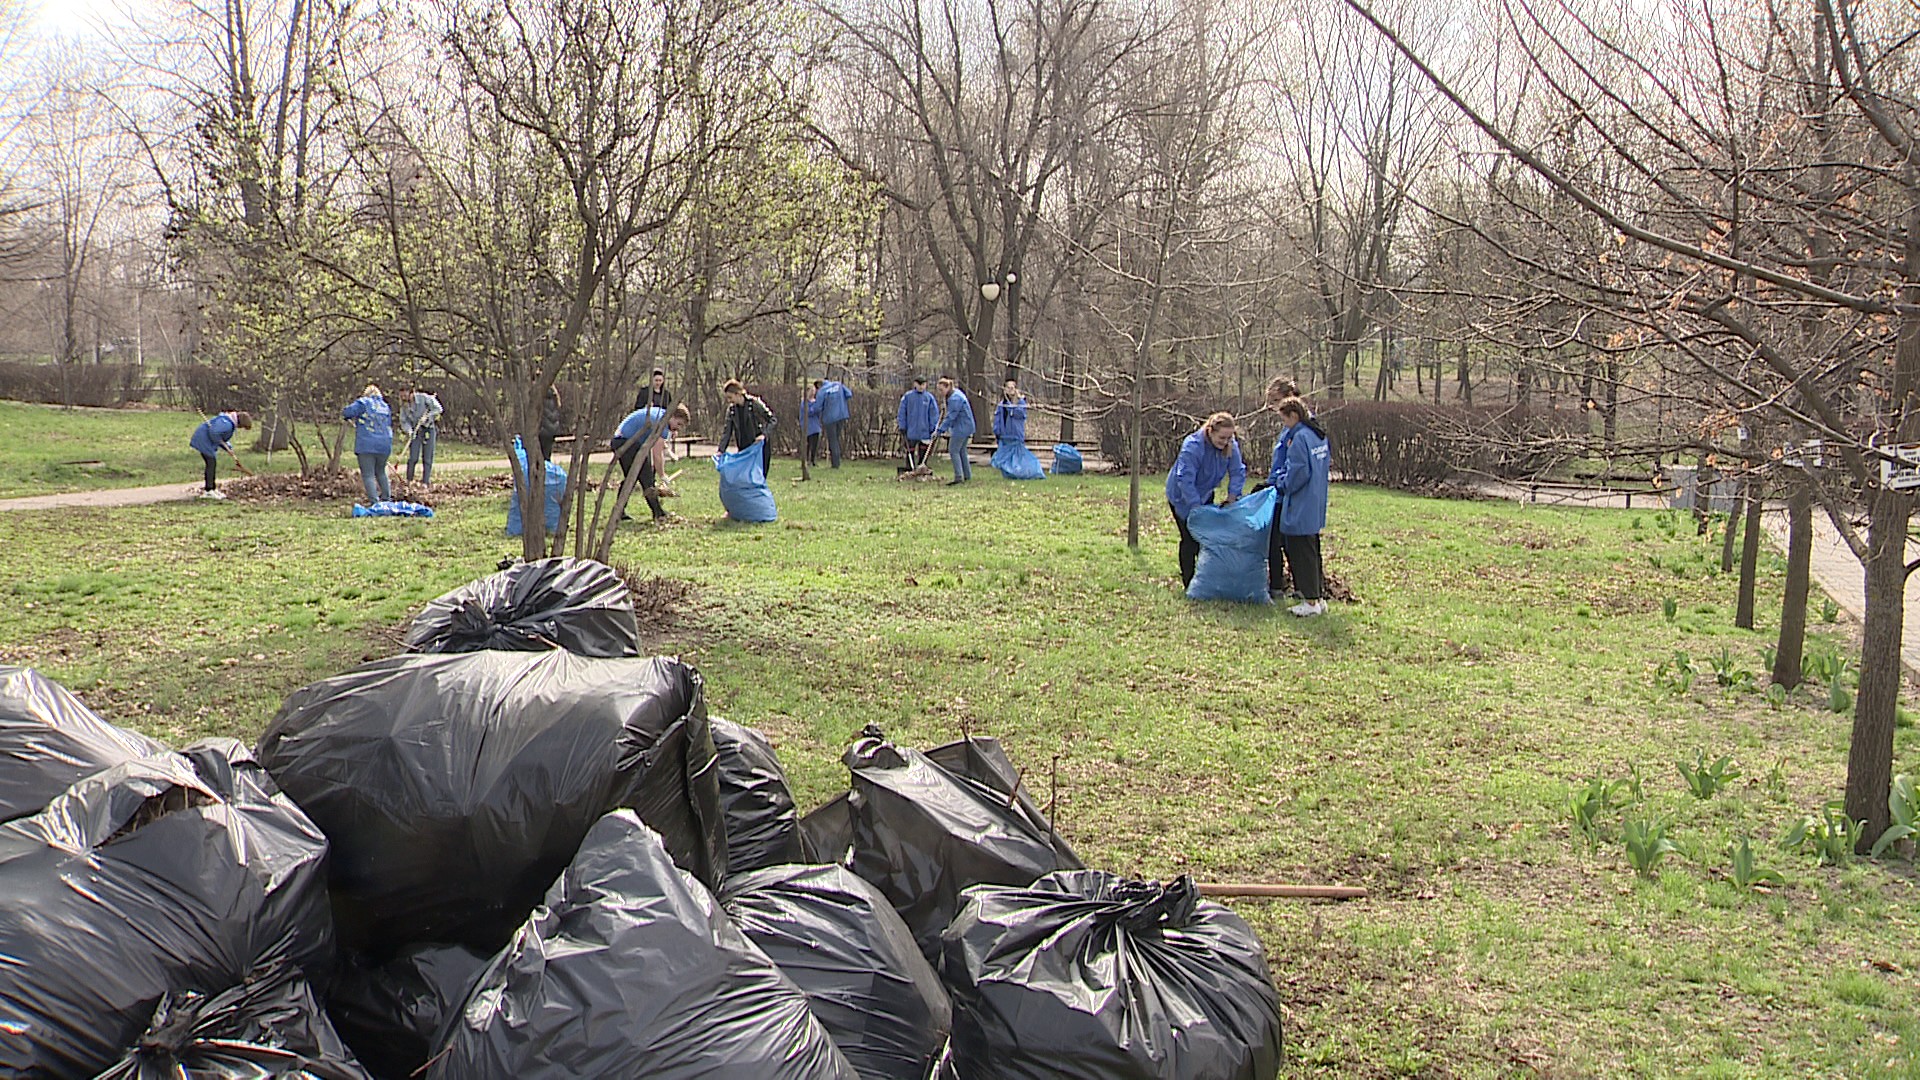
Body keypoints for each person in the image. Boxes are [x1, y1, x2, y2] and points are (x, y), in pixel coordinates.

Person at [1164, 412, 1246, 589]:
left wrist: (1233, 496)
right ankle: (1189, 583)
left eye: (1229, 437)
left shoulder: (1230, 446)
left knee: (1207, 539)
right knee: (1190, 538)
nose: (1225, 441)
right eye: (1222, 437)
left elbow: (1238, 471)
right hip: (1182, 496)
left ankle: (1205, 579)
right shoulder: (1193, 446)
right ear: (1210, 431)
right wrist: (1196, 507)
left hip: (1206, 492)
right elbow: (1185, 479)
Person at [1275, 396, 1331, 617]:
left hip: (1300, 504)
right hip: (1315, 501)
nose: (1284, 425)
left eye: (1284, 420)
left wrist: (1282, 483)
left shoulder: (1299, 439)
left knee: (1301, 552)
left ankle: (1309, 601)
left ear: (1294, 416)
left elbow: (1298, 472)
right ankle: (1318, 596)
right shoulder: (1318, 435)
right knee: (1313, 550)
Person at [611, 402, 692, 522]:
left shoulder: (661, 415)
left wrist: (668, 451)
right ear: (672, 416)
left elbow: (659, 443)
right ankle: (658, 513)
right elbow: (657, 454)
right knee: (645, 478)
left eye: (681, 426)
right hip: (625, 442)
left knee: (632, 478)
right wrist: (663, 475)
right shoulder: (661, 424)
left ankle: (620, 512)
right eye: (678, 424)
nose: (678, 428)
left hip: (625, 441)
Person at [342, 384, 395, 504]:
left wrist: (346, 415)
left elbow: (347, 412)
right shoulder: (385, 407)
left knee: (368, 474)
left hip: (367, 444)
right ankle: (387, 499)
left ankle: (374, 502)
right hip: (385, 444)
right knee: (381, 472)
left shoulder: (363, 403)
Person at [188, 409, 253, 499]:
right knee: (211, 463)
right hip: (203, 441)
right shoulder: (227, 424)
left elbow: (221, 437)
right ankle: (209, 490)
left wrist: (228, 448)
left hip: (206, 441)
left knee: (211, 463)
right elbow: (214, 434)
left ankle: (212, 489)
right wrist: (223, 445)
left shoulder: (228, 422)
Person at [721, 379, 776, 476]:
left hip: (759, 448)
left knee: (758, 477)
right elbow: (727, 431)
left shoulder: (754, 403)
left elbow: (772, 420)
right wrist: (720, 450)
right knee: (745, 478)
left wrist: (764, 435)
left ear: (738, 394)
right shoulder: (732, 410)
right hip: (744, 449)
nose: (729, 401)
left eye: (730, 397)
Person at [398, 386, 444, 485]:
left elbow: (438, 409)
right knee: (413, 457)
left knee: (427, 457)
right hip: (416, 431)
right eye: (401, 396)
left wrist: (428, 417)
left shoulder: (424, 398)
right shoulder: (404, 406)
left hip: (428, 429)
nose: (403, 398)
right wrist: (409, 431)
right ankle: (409, 480)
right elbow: (404, 421)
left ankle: (425, 482)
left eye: (405, 396)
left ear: (411, 393)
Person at [933, 376, 975, 485]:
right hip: (966, 426)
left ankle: (958, 476)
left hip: (962, 427)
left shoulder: (955, 398)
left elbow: (951, 417)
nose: (940, 393)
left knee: (953, 450)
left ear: (947, 387)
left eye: (941, 390)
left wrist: (940, 430)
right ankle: (967, 475)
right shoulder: (954, 394)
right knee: (961, 451)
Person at [896, 376, 939, 474]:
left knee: (923, 452)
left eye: (923, 384)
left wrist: (933, 428)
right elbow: (902, 412)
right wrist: (902, 425)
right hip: (911, 430)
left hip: (925, 430)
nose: (921, 387)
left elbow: (933, 414)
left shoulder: (929, 398)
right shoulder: (908, 397)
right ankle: (909, 467)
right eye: (919, 384)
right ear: (915, 384)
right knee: (909, 450)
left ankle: (922, 467)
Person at [815, 377, 853, 467]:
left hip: (830, 418)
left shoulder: (822, 391)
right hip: (842, 415)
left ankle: (835, 464)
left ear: (818, 386)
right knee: (836, 439)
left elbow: (818, 407)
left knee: (833, 440)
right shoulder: (838, 384)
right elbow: (849, 394)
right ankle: (837, 460)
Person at [993, 377, 1027, 451]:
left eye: (1012, 388)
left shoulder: (1021, 403)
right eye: (1008, 388)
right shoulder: (1001, 405)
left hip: (1016, 438)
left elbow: (1021, 414)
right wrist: (997, 432)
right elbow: (997, 420)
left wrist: (1013, 405)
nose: (1010, 390)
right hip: (1004, 438)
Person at [538, 384, 565, 463]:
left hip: (542, 430)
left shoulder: (540, 399)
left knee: (540, 456)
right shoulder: (555, 398)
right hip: (552, 430)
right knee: (547, 454)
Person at [804, 383, 824, 466]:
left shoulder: (816, 402)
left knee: (815, 444)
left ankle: (812, 460)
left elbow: (819, 412)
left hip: (815, 426)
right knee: (808, 443)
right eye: (811, 391)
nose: (813, 393)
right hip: (808, 425)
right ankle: (806, 460)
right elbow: (808, 412)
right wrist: (816, 409)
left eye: (814, 391)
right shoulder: (804, 403)